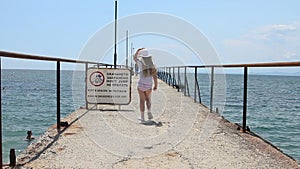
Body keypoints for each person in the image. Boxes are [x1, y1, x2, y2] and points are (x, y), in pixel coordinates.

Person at [134, 48, 158, 123]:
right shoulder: (152, 65)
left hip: (141, 85)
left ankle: (142, 118)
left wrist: (138, 51)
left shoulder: (140, 63)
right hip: (149, 85)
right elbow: (155, 76)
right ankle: (149, 111)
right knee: (148, 99)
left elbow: (134, 58)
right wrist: (155, 85)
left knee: (142, 101)